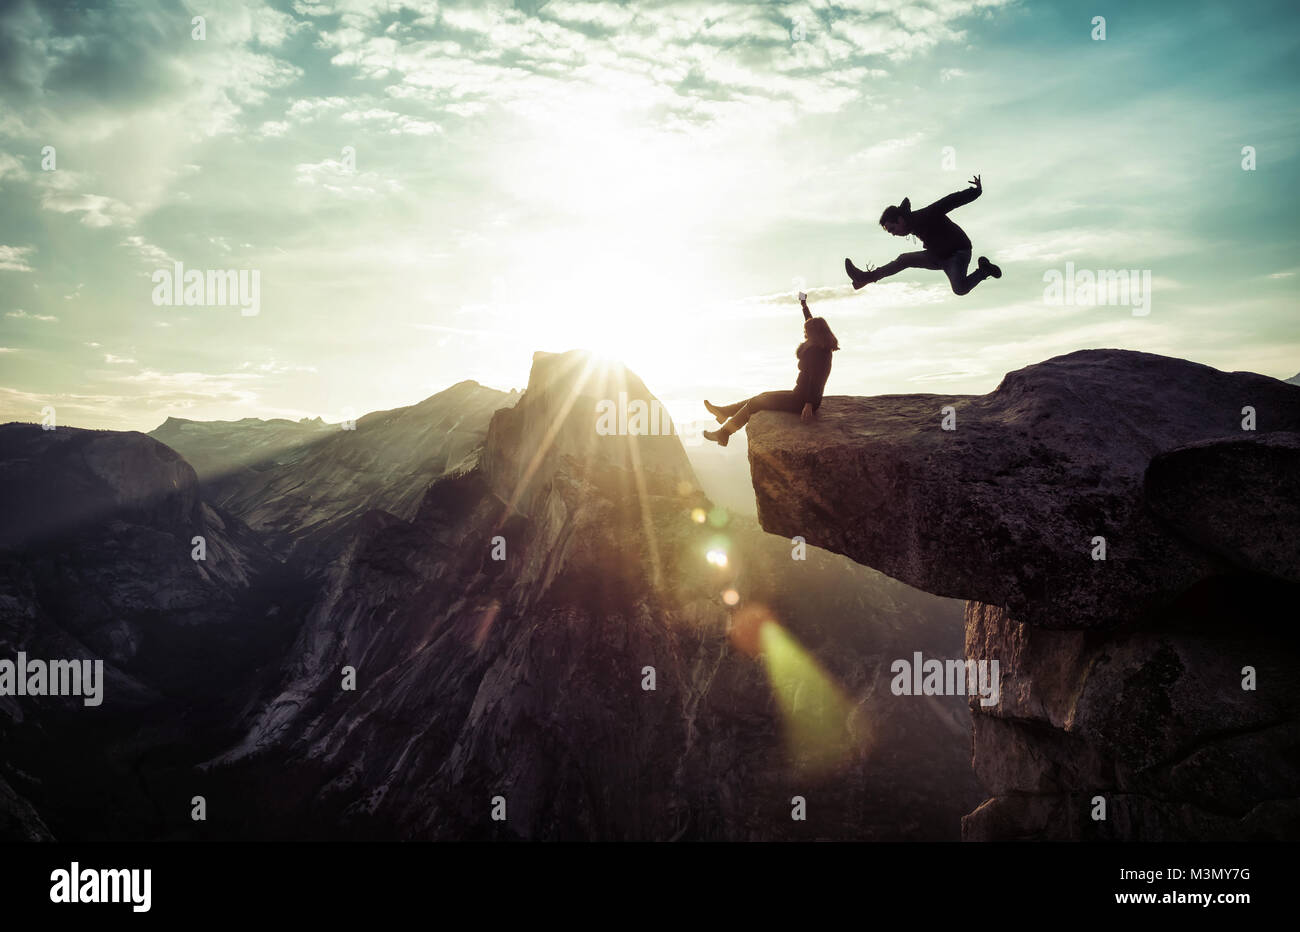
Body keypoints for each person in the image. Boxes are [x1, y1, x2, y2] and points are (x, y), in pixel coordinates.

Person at [702, 292, 838, 447]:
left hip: (802, 400)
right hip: (799, 395)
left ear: (815, 334)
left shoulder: (818, 353)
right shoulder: (820, 345)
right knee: (762, 396)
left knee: (756, 403)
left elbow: (817, 380)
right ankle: (724, 412)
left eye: (807, 332)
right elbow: (810, 321)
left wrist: (809, 404)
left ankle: (724, 433)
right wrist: (804, 304)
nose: (804, 333)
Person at [845, 174, 1001, 295]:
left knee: (959, 289)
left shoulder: (926, 215)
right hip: (938, 256)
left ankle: (984, 271)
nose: (894, 234)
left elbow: (949, 201)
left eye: (893, 229)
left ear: (900, 220)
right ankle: (865, 278)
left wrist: (976, 191)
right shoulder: (911, 224)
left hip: (957, 253)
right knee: (904, 259)